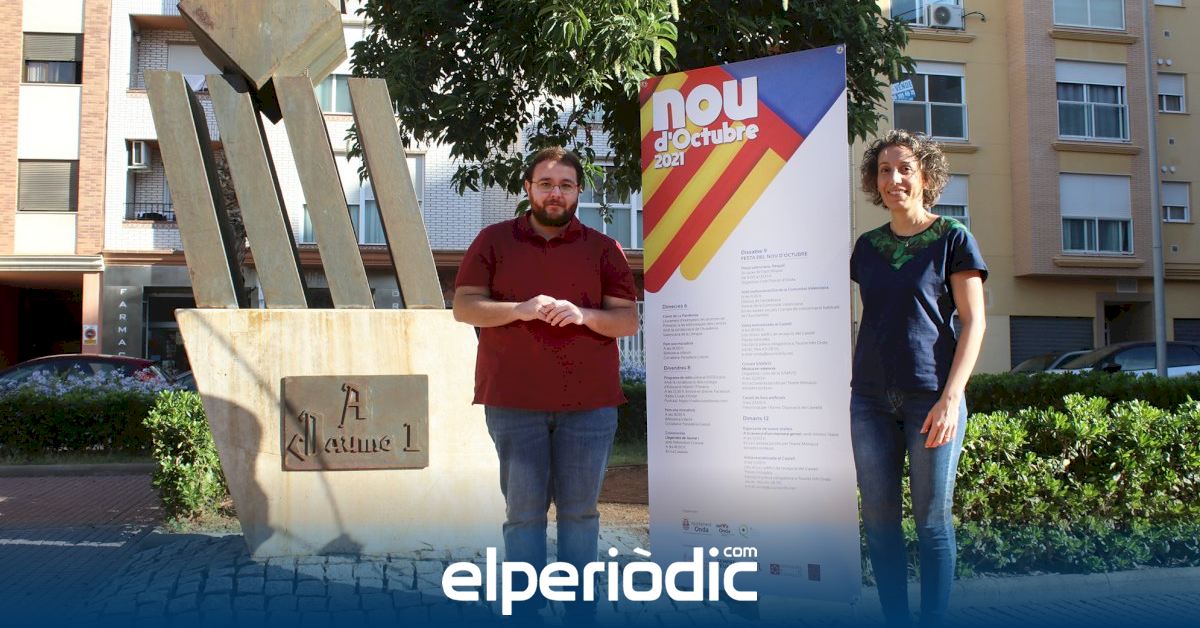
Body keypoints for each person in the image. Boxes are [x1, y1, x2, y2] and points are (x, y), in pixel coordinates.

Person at [453, 146, 640, 621]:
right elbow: (465, 307)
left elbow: (627, 321)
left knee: (580, 514)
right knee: (524, 515)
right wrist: (519, 309)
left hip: (590, 405)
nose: (555, 193)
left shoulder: (604, 248)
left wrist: (584, 315)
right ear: (528, 188)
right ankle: (526, 607)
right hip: (513, 402)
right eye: (546, 184)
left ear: (578, 191)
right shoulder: (494, 241)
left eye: (565, 185)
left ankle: (579, 609)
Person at [850, 130, 987, 627]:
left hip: (931, 398)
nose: (895, 179)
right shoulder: (867, 248)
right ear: (875, 181)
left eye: (905, 168)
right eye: (885, 170)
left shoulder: (952, 237)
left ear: (926, 176)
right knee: (879, 522)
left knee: (931, 522)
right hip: (869, 401)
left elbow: (974, 322)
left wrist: (951, 399)